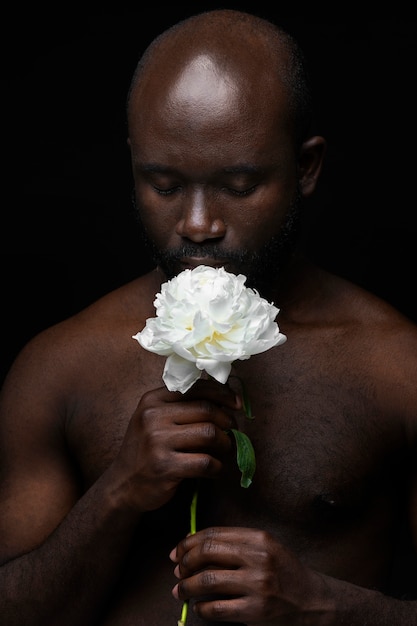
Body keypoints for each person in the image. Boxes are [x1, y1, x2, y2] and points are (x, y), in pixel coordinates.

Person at [0, 8, 416, 625]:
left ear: (306, 168)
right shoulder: (59, 367)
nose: (198, 224)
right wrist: (117, 494)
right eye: (163, 185)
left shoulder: (396, 368)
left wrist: (328, 607)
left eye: (239, 186)